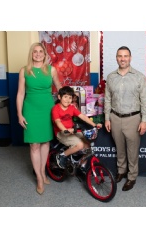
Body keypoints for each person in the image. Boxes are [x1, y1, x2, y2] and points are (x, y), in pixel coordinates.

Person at [16, 42, 61, 195]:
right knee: (34, 144)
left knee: (45, 142)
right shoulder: (24, 71)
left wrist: (68, 103)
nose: (38, 54)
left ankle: (42, 172)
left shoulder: (51, 70)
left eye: (40, 51)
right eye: (35, 51)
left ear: (44, 53)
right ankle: (39, 180)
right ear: (31, 54)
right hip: (30, 110)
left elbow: (60, 88)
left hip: (47, 109)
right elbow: (20, 94)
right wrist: (19, 114)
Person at [104, 46, 146, 191]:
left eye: (125, 56)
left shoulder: (139, 77)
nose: (122, 59)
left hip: (133, 118)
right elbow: (107, 99)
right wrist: (107, 118)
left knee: (132, 150)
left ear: (130, 58)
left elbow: (144, 100)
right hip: (115, 117)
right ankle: (121, 171)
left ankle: (131, 177)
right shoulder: (111, 77)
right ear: (116, 58)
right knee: (120, 149)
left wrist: (144, 120)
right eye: (120, 56)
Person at [52, 86, 102, 169]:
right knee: (80, 145)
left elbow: (82, 116)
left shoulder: (71, 108)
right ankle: (62, 155)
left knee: (88, 144)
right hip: (61, 132)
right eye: (65, 97)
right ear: (59, 97)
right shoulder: (56, 109)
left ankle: (82, 164)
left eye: (70, 98)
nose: (67, 100)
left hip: (72, 130)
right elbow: (58, 122)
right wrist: (64, 130)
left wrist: (94, 125)